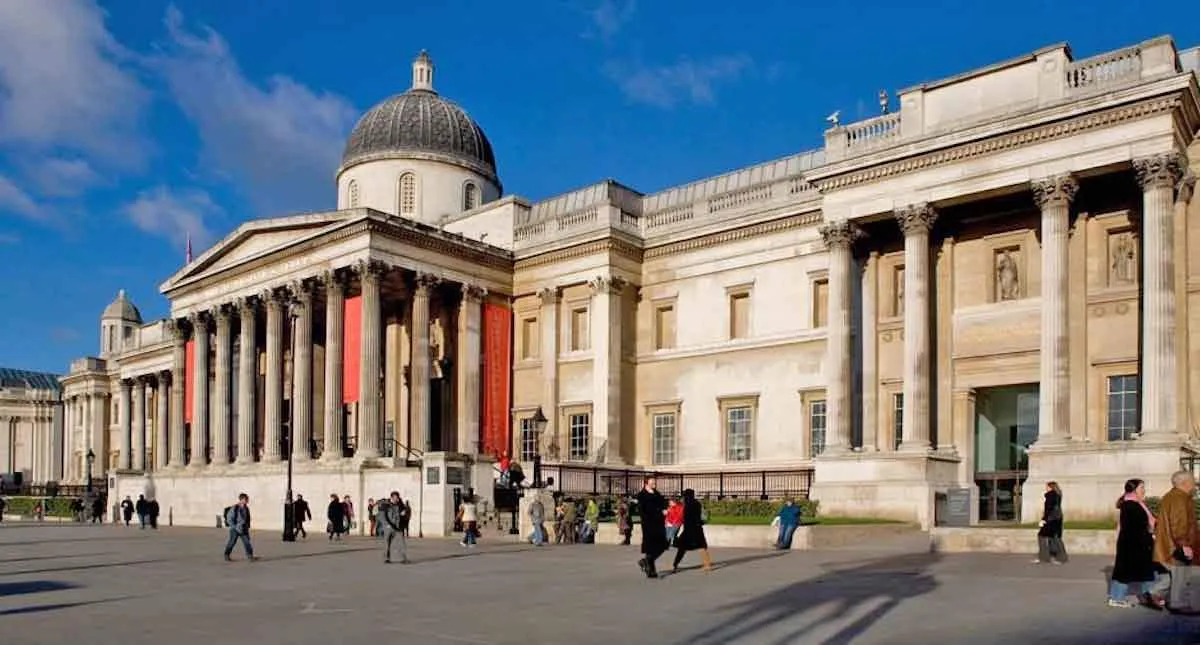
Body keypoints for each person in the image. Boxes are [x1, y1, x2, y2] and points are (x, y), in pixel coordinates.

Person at [1153, 470, 1200, 610]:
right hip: (1175, 546)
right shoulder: (1180, 498)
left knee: (1172, 576)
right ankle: (1178, 604)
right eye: (1193, 481)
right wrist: (1184, 544)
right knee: (1181, 575)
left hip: (1169, 545)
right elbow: (1179, 523)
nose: (1195, 485)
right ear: (1185, 483)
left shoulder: (1171, 496)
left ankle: (1152, 593)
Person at [1110, 479, 1160, 607]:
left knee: (1146, 571)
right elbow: (1135, 527)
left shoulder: (1136, 504)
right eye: (1141, 487)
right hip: (1133, 545)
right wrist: (1149, 536)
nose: (1144, 490)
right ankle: (1116, 598)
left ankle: (1146, 596)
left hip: (1136, 544)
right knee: (1125, 572)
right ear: (1133, 489)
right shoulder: (1131, 505)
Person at [671, 489, 713, 574]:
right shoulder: (697, 504)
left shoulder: (686, 505)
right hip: (697, 529)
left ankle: (675, 565)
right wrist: (701, 522)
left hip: (688, 530)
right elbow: (698, 517)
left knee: (682, 549)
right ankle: (707, 565)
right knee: (702, 546)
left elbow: (685, 518)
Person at [636, 476, 668, 578]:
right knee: (650, 548)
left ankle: (645, 562)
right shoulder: (642, 495)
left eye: (654, 481)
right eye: (652, 482)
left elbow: (663, 502)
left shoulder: (656, 493)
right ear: (646, 483)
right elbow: (644, 511)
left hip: (659, 523)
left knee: (663, 545)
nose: (654, 483)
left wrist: (665, 508)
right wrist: (660, 511)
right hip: (649, 524)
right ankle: (651, 571)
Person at [1034, 482, 1068, 564]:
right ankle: (1060, 557)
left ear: (1051, 487)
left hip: (1051, 519)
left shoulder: (1050, 496)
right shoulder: (1058, 495)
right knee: (1055, 537)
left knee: (1042, 536)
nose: (1046, 488)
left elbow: (1048, 509)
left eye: (1047, 487)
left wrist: (1043, 520)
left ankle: (1045, 557)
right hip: (1057, 519)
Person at [223, 493, 256, 562]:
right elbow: (229, 519)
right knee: (232, 542)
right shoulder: (235, 508)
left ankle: (250, 556)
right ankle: (226, 554)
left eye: (247, 499)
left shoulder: (246, 508)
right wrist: (234, 527)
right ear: (241, 500)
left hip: (243, 529)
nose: (247, 501)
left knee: (247, 542)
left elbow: (247, 518)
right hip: (234, 529)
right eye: (246, 499)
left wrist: (247, 526)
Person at [380, 491, 410, 564]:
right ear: (392, 497)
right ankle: (386, 558)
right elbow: (382, 516)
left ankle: (403, 558)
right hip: (389, 527)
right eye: (396, 498)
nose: (397, 499)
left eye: (398, 498)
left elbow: (404, 511)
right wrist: (386, 525)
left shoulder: (400, 504)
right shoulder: (385, 505)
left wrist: (403, 513)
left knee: (401, 542)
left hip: (398, 527)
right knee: (387, 543)